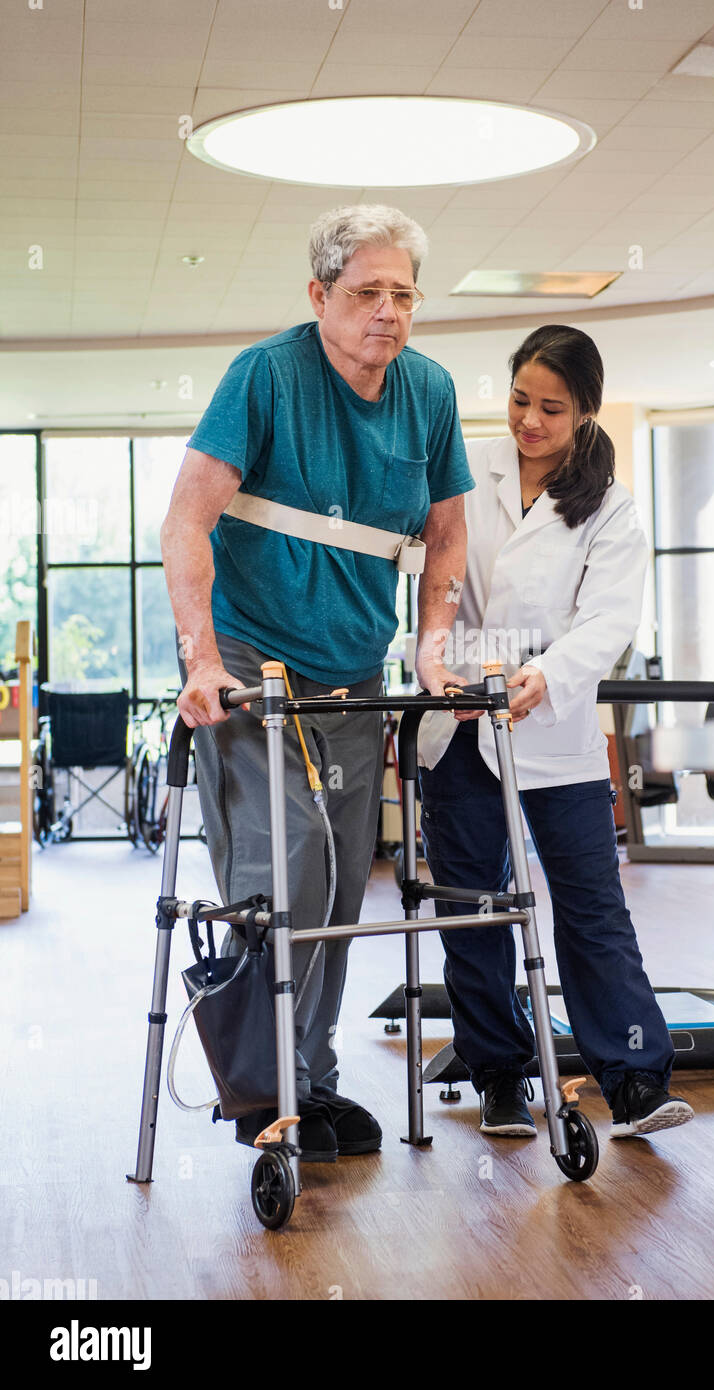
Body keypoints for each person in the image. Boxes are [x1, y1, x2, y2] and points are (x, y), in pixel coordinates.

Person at [161, 204, 473, 1161]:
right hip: (254, 682)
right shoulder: (264, 377)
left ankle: (315, 1079)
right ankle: (265, 1095)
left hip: (351, 682)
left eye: (404, 294)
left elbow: (448, 534)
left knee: (340, 890)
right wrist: (199, 659)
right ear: (320, 296)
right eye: (367, 292)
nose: (387, 311)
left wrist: (429, 646)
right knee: (281, 873)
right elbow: (185, 523)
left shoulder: (428, 391)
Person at [417, 325, 693, 1141]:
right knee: (473, 909)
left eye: (550, 409)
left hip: (555, 725)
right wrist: (439, 661)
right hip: (462, 718)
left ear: (586, 413)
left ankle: (636, 1080)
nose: (528, 422)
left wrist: (550, 676)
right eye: (519, 401)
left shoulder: (611, 504)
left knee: (590, 906)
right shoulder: (466, 469)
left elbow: (608, 618)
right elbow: (435, 576)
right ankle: (500, 1076)